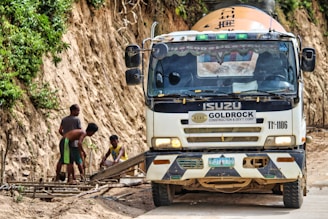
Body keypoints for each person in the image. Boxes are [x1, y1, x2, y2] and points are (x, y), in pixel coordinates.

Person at [55, 104, 82, 182]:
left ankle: (58, 177)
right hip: (74, 143)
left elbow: (60, 130)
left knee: (64, 160)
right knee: (77, 161)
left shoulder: (64, 119)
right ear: (72, 111)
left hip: (65, 142)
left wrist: (65, 136)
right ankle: (78, 177)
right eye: (77, 110)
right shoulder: (77, 120)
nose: (78, 112)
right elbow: (79, 131)